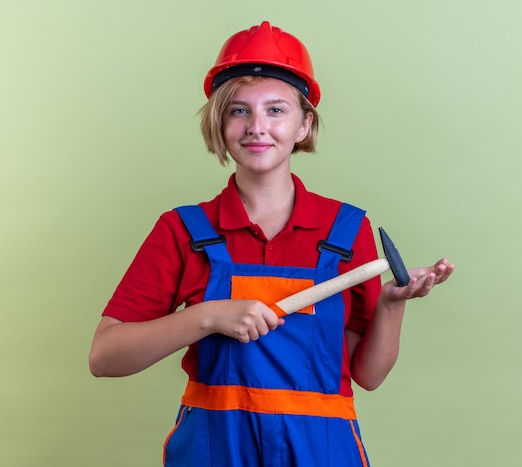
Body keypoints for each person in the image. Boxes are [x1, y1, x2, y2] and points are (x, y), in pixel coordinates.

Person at [89, 21, 454, 467]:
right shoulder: (183, 230)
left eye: (276, 110)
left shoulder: (346, 231)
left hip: (322, 452)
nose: (256, 127)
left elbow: (368, 375)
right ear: (219, 123)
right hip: (214, 451)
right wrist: (206, 317)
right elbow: (105, 356)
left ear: (304, 124)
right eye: (238, 111)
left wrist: (392, 306)